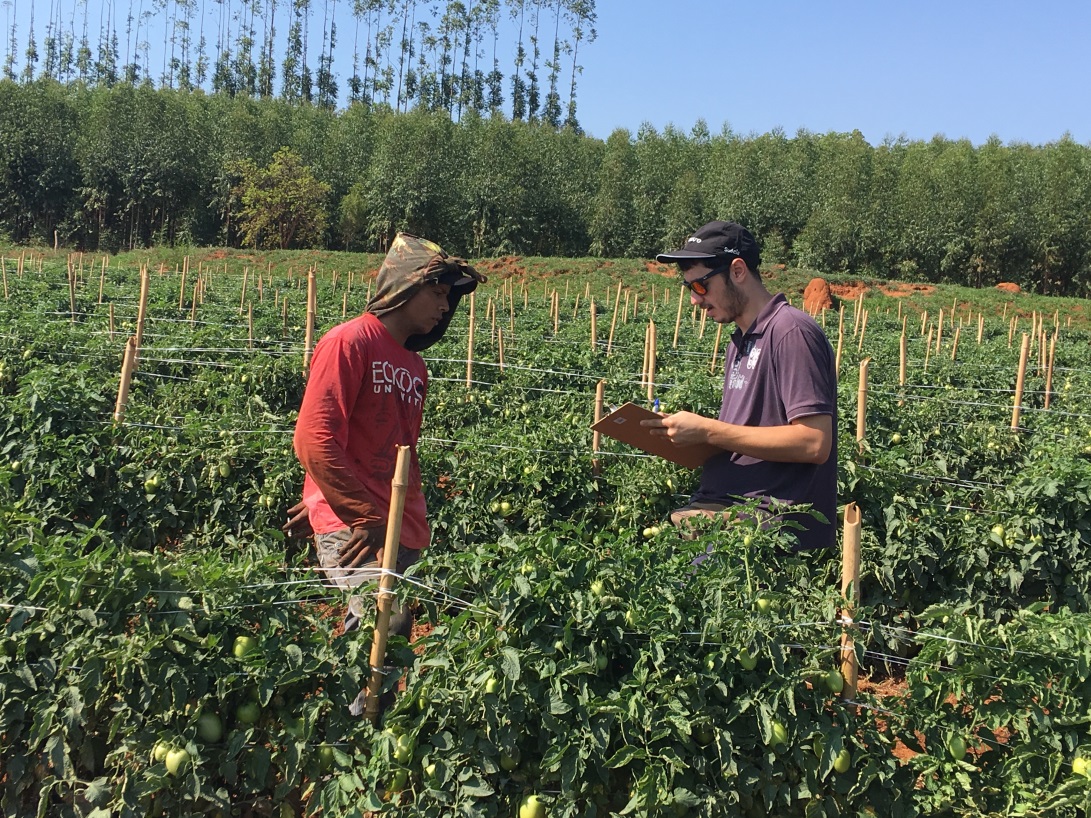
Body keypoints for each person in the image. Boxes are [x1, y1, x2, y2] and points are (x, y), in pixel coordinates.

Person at [283, 232, 484, 711]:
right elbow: (314, 438)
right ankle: (354, 737)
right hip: (362, 526)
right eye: (438, 291)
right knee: (383, 622)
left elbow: (387, 447)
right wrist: (353, 511)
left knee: (386, 638)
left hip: (399, 523)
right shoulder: (348, 341)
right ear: (404, 285)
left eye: (450, 297)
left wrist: (323, 496)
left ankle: (366, 729)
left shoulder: (414, 366)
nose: (445, 306)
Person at [641, 220, 838, 551]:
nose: (694, 300)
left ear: (737, 270)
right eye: (689, 288)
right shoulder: (740, 341)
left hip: (766, 534)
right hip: (724, 516)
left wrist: (707, 432)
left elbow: (814, 442)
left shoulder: (791, 332)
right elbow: (747, 434)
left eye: (701, 286)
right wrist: (686, 437)